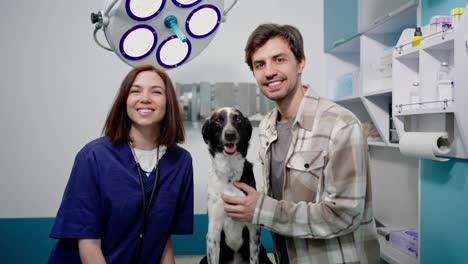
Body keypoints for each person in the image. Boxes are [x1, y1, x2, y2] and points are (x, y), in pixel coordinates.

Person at [221, 24, 380, 263]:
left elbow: (344, 216)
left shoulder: (340, 125)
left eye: (279, 59)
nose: (269, 72)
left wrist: (261, 209)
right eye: (260, 65)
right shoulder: (266, 127)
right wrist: (248, 204)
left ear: (301, 62)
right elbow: (281, 195)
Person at [48, 64, 194, 263]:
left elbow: (163, 239)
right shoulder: (93, 157)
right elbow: (88, 243)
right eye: (135, 91)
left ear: (169, 103)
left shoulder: (180, 162)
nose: (145, 98)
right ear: (125, 100)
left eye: (156, 92)